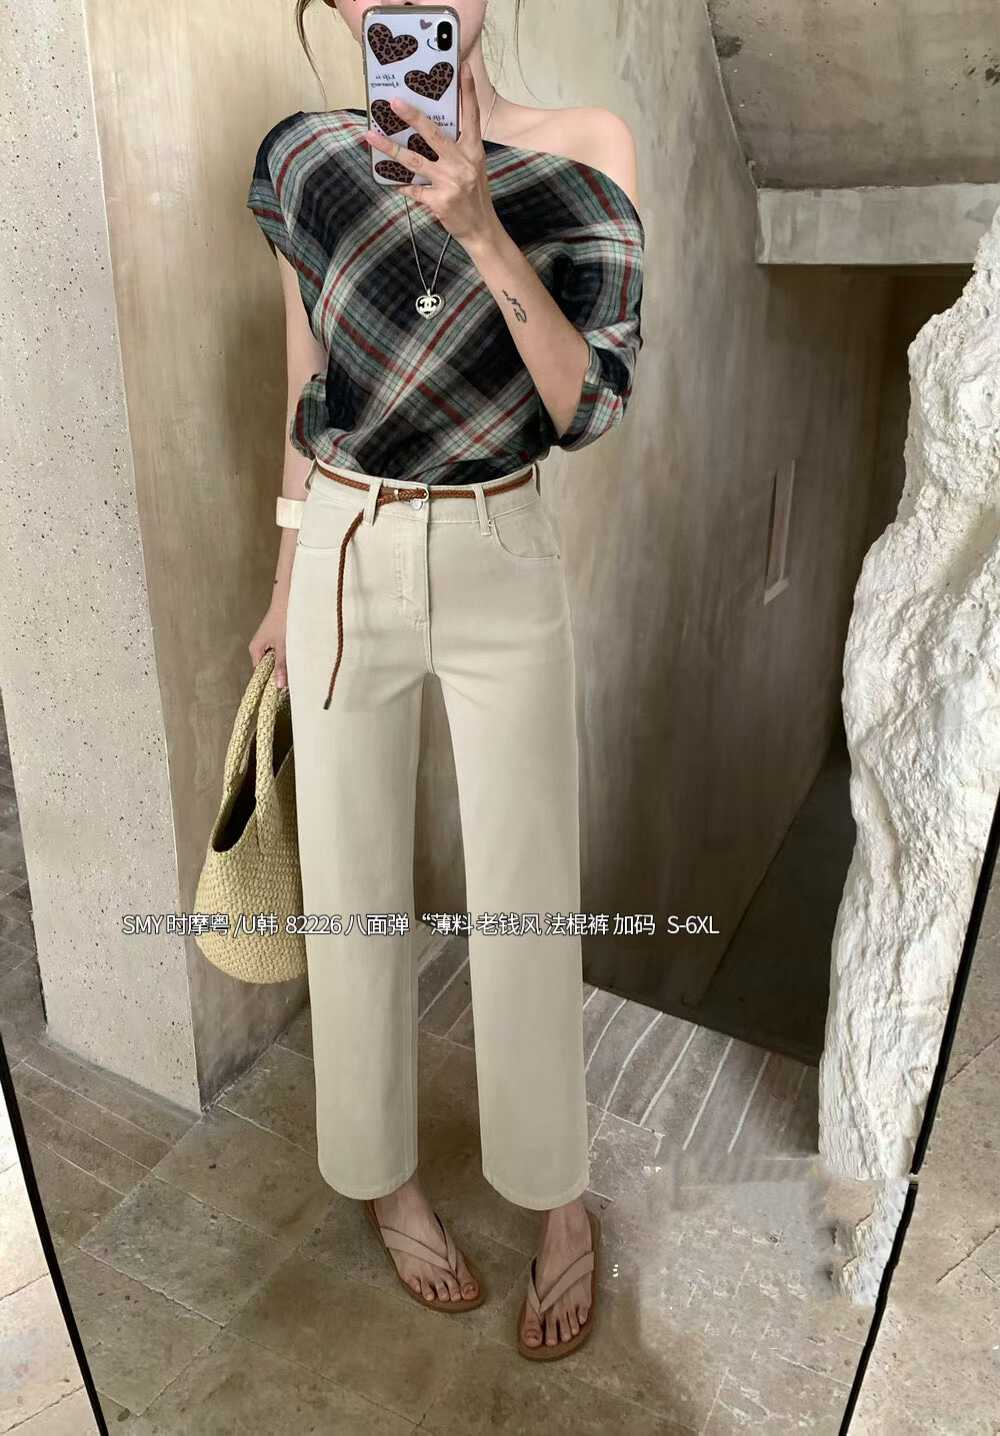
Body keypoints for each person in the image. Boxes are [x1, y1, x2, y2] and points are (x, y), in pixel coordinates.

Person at [247, 0, 644, 1357]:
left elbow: (586, 405)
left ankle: (557, 1196)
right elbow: (305, 387)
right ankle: (386, 1179)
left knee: (529, 892)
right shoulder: (304, 160)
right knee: (352, 887)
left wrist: (480, 226)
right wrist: (283, 581)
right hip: (345, 547)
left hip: (500, 545)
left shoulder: (584, 149)